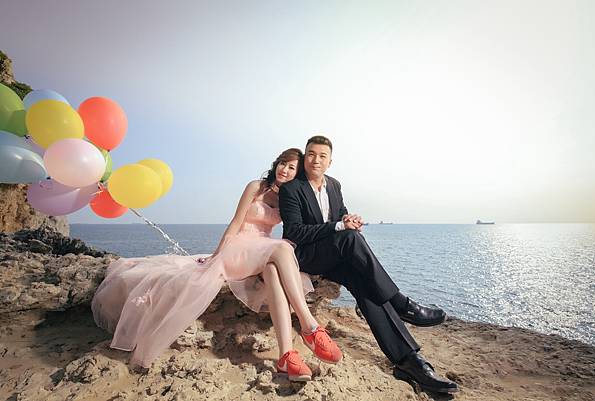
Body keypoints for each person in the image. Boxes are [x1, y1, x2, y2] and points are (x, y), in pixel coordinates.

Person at [91, 148, 342, 382]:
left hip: (262, 250)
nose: (284, 170)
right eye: (283, 164)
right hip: (239, 247)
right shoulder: (256, 187)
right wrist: (217, 255)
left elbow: (301, 228)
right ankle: (309, 326)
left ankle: (286, 355)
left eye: (291, 168)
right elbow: (235, 223)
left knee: (273, 270)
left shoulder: (290, 199)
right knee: (282, 248)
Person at [279, 136, 459, 393]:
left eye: (322, 156)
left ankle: (409, 361)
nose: (315, 160)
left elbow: (340, 214)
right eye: (310, 154)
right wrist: (340, 226)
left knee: (368, 288)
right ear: (305, 156)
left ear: (330, 162)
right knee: (350, 239)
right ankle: (401, 303)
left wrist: (348, 219)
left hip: (335, 255)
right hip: (307, 256)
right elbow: (295, 232)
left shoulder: (334, 185)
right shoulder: (292, 189)